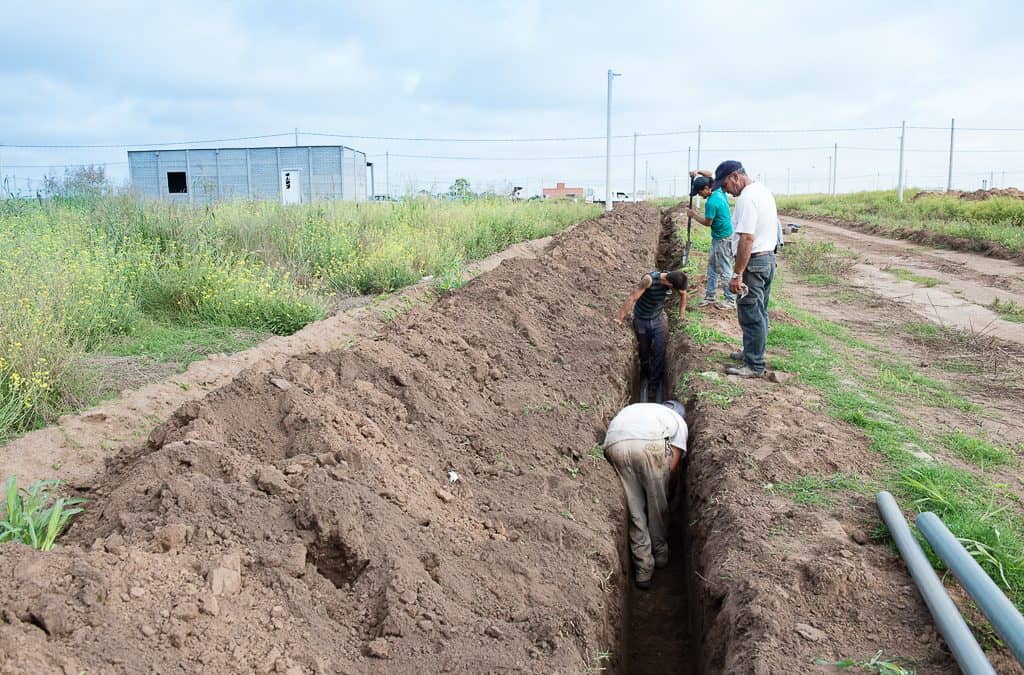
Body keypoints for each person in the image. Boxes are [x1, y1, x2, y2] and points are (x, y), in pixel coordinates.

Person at [603, 400, 688, 589]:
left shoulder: (637, 410)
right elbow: (671, 464)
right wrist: (665, 491)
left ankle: (643, 570)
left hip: (616, 444)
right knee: (658, 507)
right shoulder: (677, 422)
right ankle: (660, 554)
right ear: (681, 415)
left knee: (635, 512)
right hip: (653, 444)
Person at [711, 160, 779, 378]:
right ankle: (751, 352)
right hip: (766, 259)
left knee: (751, 314)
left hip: (754, 263)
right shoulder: (762, 191)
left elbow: (747, 238)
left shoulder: (747, 198)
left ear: (734, 177)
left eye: (725, 185)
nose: (726, 191)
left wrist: (738, 273)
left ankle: (754, 365)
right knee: (759, 311)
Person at [615, 270, 688, 403]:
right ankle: (644, 373)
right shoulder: (648, 280)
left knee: (659, 352)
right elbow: (632, 297)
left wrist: (681, 317)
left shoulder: (674, 281)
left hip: (658, 319)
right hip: (641, 319)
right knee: (644, 351)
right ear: (669, 283)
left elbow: (683, 294)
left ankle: (654, 385)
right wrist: (619, 318)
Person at [686, 170, 736, 310]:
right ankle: (710, 296)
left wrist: (693, 215)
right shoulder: (718, 190)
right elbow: (710, 176)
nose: (700, 195)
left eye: (700, 192)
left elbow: (708, 223)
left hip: (723, 239)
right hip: (720, 237)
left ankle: (730, 300)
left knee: (725, 268)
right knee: (712, 267)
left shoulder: (712, 203)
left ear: (707, 189)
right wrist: (697, 172)